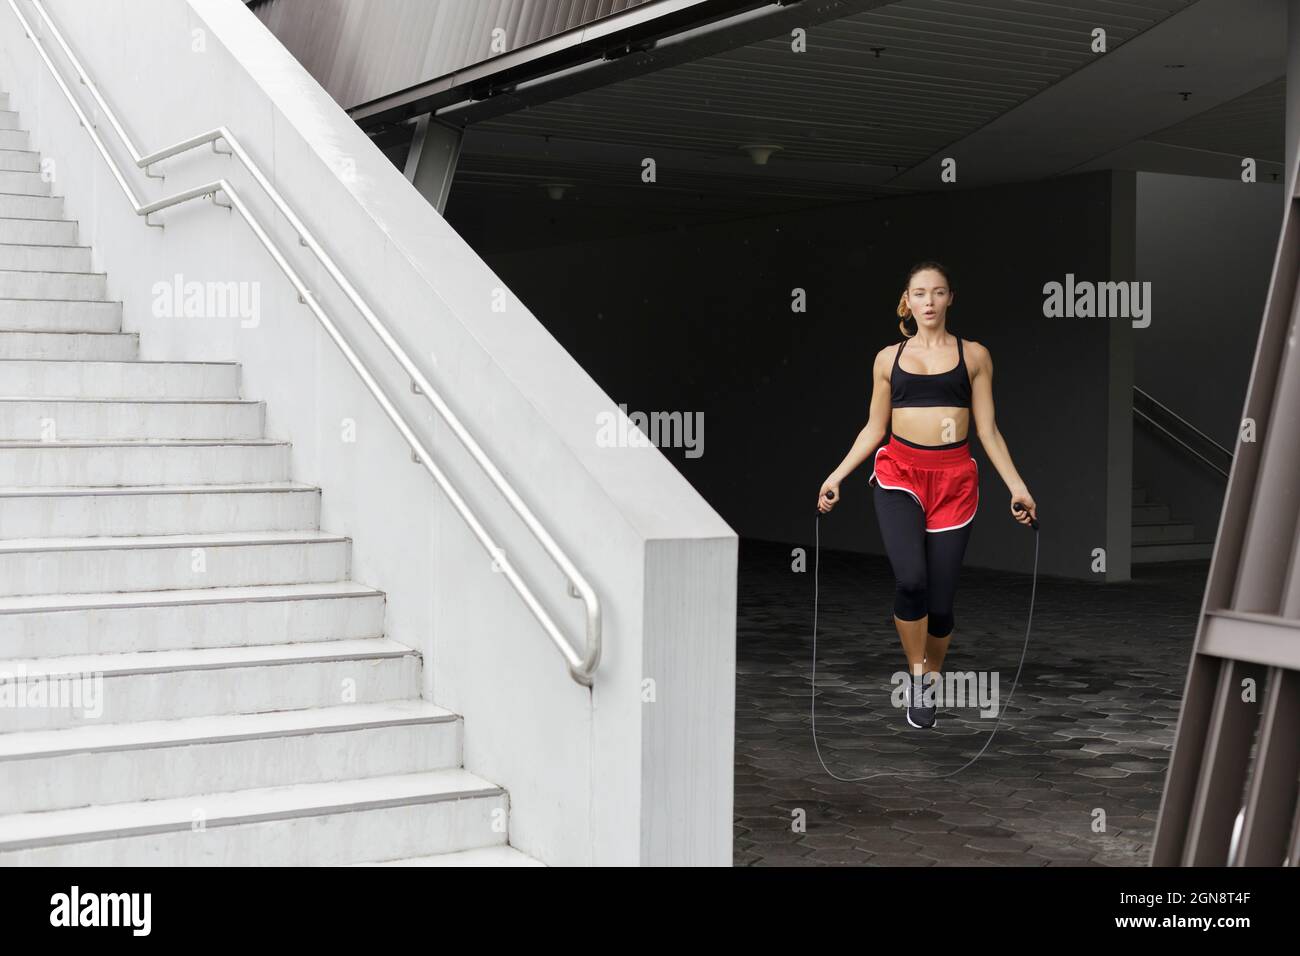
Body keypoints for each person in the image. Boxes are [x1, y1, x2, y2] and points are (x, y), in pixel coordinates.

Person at [817, 261, 1037, 729]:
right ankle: (916, 672)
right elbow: (875, 428)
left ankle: (931, 679)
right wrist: (836, 476)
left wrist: (1017, 486)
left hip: (954, 479)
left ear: (950, 298)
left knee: (940, 602)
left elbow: (988, 430)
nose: (930, 301)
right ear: (908, 300)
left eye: (938, 293)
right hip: (899, 473)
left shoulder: (974, 355)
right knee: (911, 580)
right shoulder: (887, 359)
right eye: (920, 293)